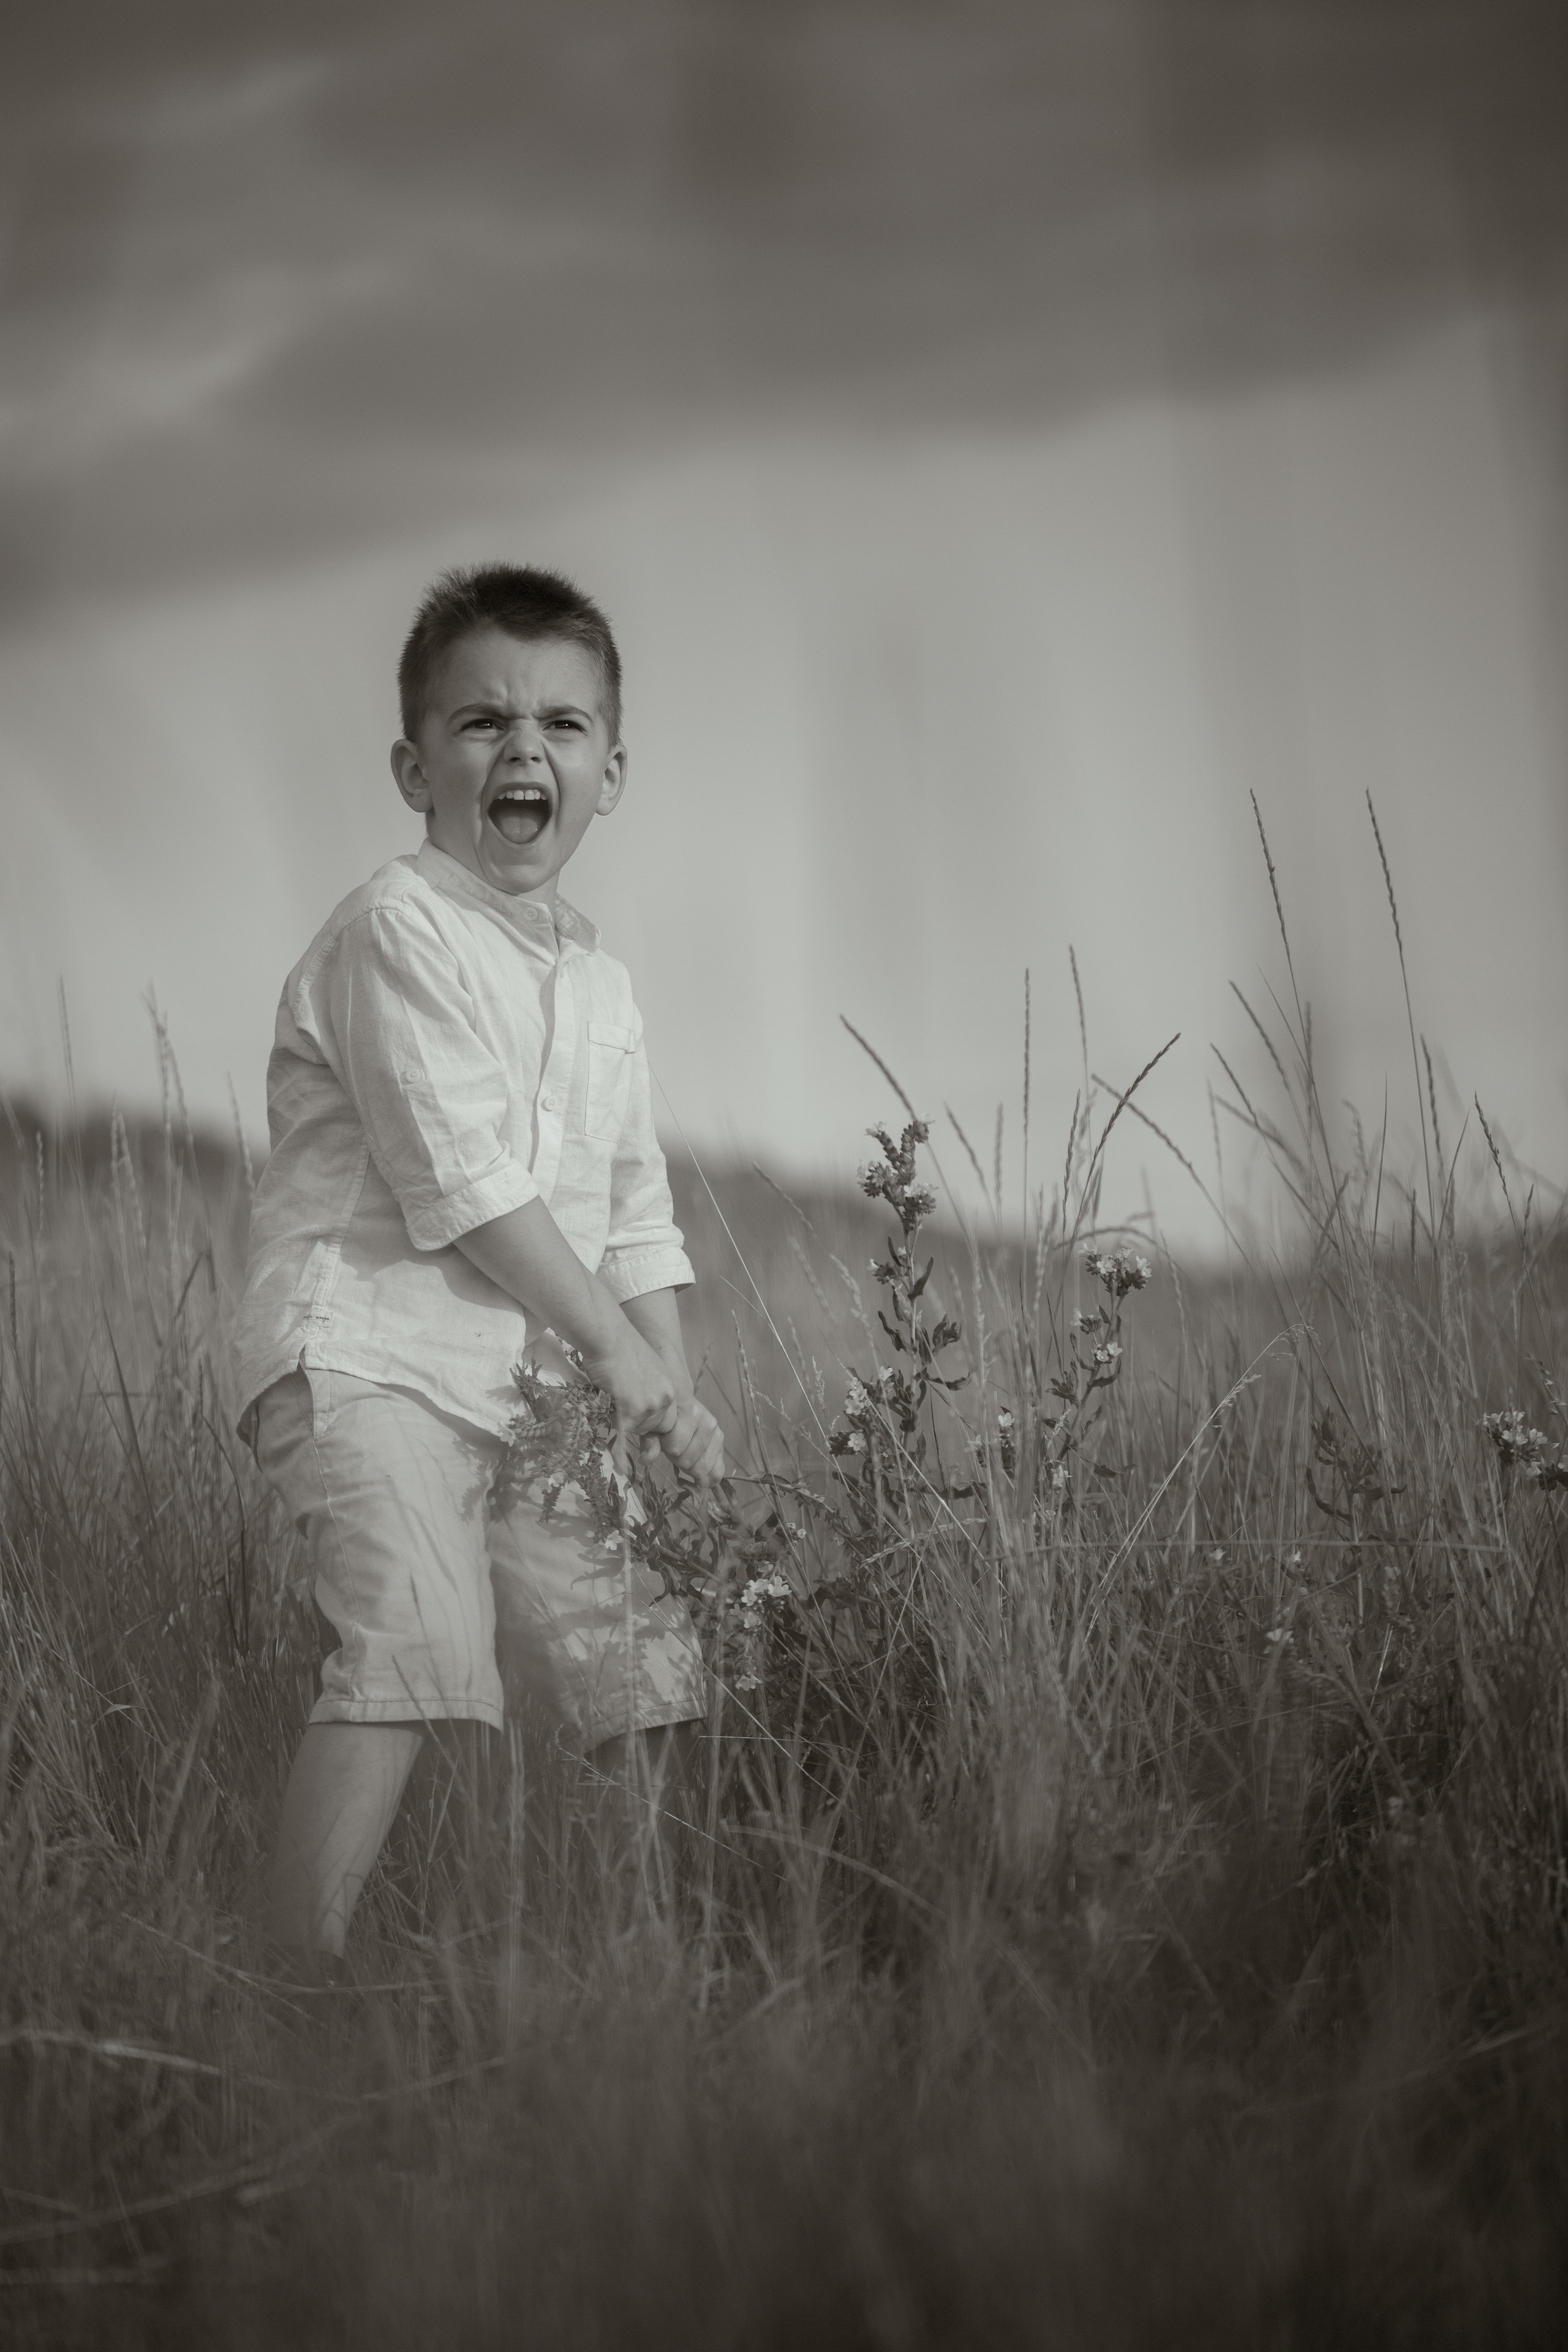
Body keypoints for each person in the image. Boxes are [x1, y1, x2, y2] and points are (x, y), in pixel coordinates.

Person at [231, 563, 723, 1975]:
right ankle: (294, 1975)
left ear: (610, 773)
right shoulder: (395, 930)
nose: (523, 749)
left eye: (562, 725)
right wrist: (616, 1357)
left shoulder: (602, 987)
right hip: (369, 1356)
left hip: (532, 1384)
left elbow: (634, 1214)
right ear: (414, 769)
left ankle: (639, 1971)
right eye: (481, 722)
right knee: (417, 1636)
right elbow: (468, 1189)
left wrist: (666, 1395)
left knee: (638, 1648)